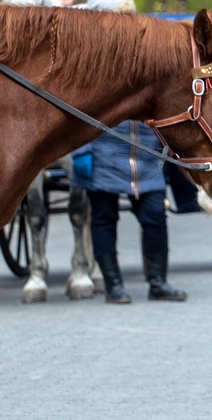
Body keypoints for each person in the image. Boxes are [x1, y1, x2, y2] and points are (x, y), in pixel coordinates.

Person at [70, 120, 188, 303]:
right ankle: (113, 285)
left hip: (147, 155)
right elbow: (78, 106)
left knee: (156, 216)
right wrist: (81, 150)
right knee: (104, 218)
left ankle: (158, 282)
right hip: (104, 154)